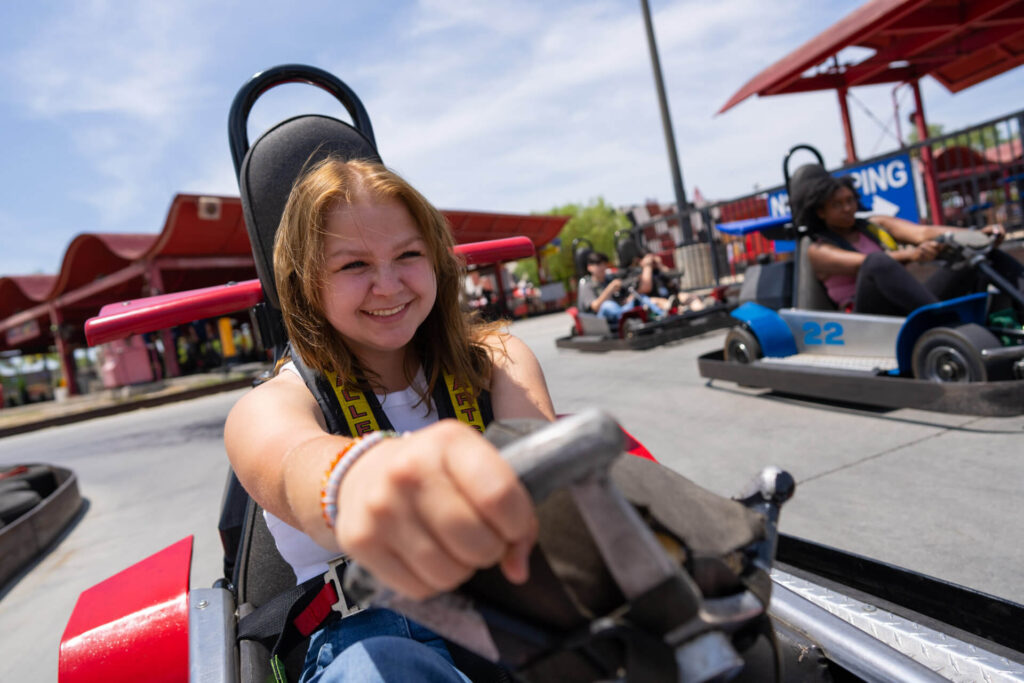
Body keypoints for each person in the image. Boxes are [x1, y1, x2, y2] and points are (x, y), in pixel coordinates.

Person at [224, 158, 556, 682]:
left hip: (509, 617)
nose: (388, 284)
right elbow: (294, 464)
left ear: (437, 262)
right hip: (368, 637)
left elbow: (548, 493)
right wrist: (363, 481)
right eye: (354, 265)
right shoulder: (271, 405)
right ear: (307, 281)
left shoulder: (497, 360)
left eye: (408, 255)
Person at [791, 164, 1020, 316]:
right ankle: (945, 322)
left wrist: (976, 235)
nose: (848, 208)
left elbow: (922, 233)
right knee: (876, 263)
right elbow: (863, 263)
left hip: (910, 302)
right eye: (837, 205)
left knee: (982, 254)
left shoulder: (874, 224)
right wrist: (912, 255)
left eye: (850, 200)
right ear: (820, 212)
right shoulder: (818, 249)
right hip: (868, 317)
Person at [576, 251, 665, 324]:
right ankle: (629, 319)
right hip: (600, 319)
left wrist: (630, 297)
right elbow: (595, 307)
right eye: (598, 264)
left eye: (604, 264)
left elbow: (626, 284)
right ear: (589, 267)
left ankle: (662, 315)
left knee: (639, 297)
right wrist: (610, 289)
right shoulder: (587, 285)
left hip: (619, 310)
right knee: (607, 305)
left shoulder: (610, 278)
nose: (602, 267)